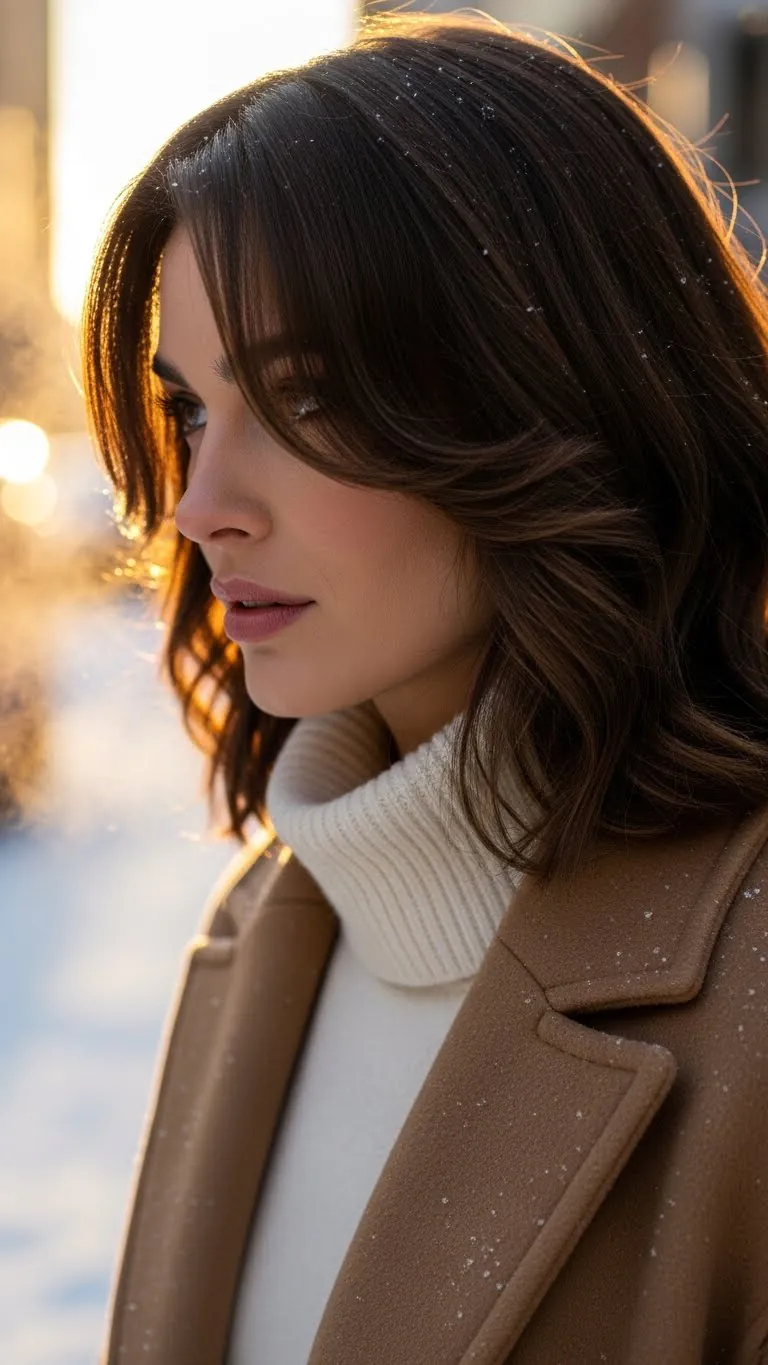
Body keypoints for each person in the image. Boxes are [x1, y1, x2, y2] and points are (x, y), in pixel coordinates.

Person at [82, 12, 768, 1364]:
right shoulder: (267, 933)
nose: (203, 507)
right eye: (191, 413)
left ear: (559, 393)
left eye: (307, 398)